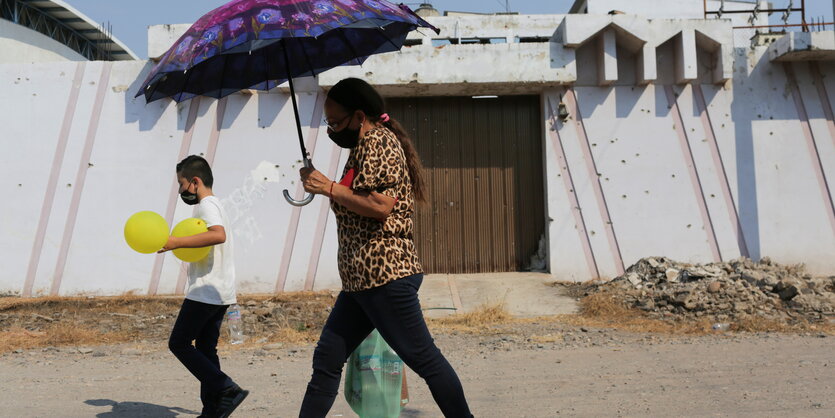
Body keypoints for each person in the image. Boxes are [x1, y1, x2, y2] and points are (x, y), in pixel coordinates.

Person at [298, 78, 473, 417]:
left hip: (385, 275)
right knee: (327, 359)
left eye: (335, 122)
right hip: (361, 281)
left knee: (424, 358)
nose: (332, 129)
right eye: (328, 123)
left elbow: (380, 206)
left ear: (359, 115)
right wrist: (324, 185)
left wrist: (329, 187)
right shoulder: (360, 148)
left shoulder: (378, 141)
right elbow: (355, 199)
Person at [159, 155, 249, 418]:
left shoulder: (207, 205)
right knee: (207, 349)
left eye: (182, 183)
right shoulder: (217, 204)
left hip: (206, 290)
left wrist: (176, 242)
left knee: (179, 343)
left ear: (195, 182)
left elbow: (217, 235)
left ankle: (226, 388)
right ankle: (213, 410)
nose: (180, 190)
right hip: (221, 290)